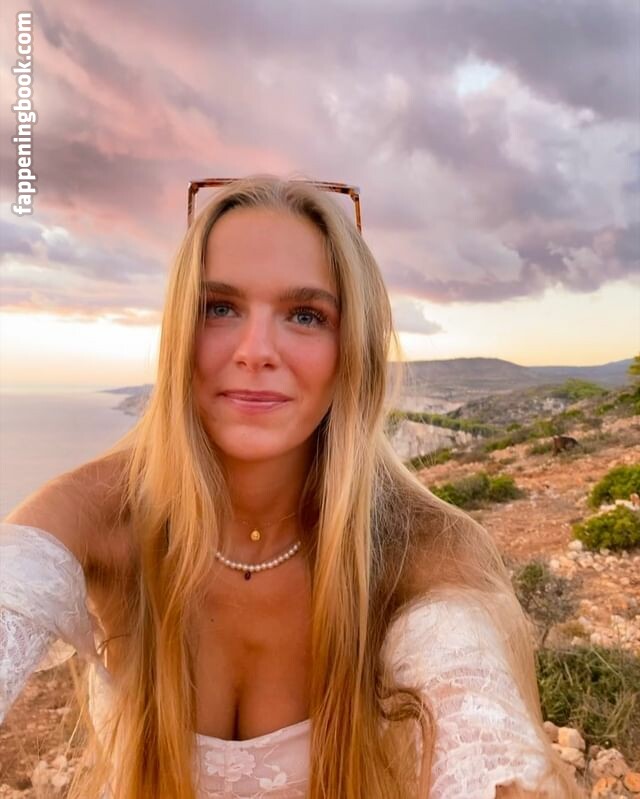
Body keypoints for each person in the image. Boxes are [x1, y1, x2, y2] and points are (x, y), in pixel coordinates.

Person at [0, 175, 584, 798]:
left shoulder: (421, 548)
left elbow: (478, 717)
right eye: (219, 308)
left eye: (306, 316)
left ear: (351, 350)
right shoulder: (95, 514)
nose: (255, 351)